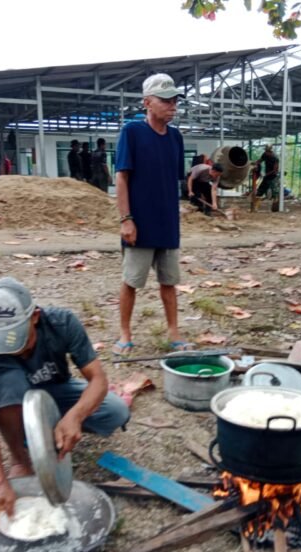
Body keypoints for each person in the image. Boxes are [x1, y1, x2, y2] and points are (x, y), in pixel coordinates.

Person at [0, 277, 130, 521]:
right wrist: (1, 483)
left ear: (35, 316)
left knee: (115, 411)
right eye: (4, 340)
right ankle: (20, 458)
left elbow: (98, 380)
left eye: (17, 337)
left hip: (56, 390)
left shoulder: (61, 323)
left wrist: (75, 416)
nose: (13, 348)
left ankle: (49, 432)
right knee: (10, 382)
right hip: (13, 399)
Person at [113, 73, 188, 356]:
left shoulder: (176, 137)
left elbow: (172, 180)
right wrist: (126, 219)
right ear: (147, 103)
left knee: (169, 281)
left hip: (167, 224)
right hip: (139, 224)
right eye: (165, 100)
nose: (172, 105)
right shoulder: (132, 132)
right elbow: (122, 178)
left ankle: (173, 332)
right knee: (131, 281)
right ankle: (125, 333)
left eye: (175, 100)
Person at [255, 145, 280, 211]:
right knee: (260, 191)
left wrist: (266, 174)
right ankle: (255, 207)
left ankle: (275, 208)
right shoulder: (265, 155)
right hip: (267, 176)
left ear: (270, 151)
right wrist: (255, 163)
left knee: (275, 193)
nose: (266, 152)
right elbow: (260, 160)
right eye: (265, 151)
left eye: (267, 151)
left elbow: (275, 170)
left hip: (273, 177)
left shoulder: (275, 158)